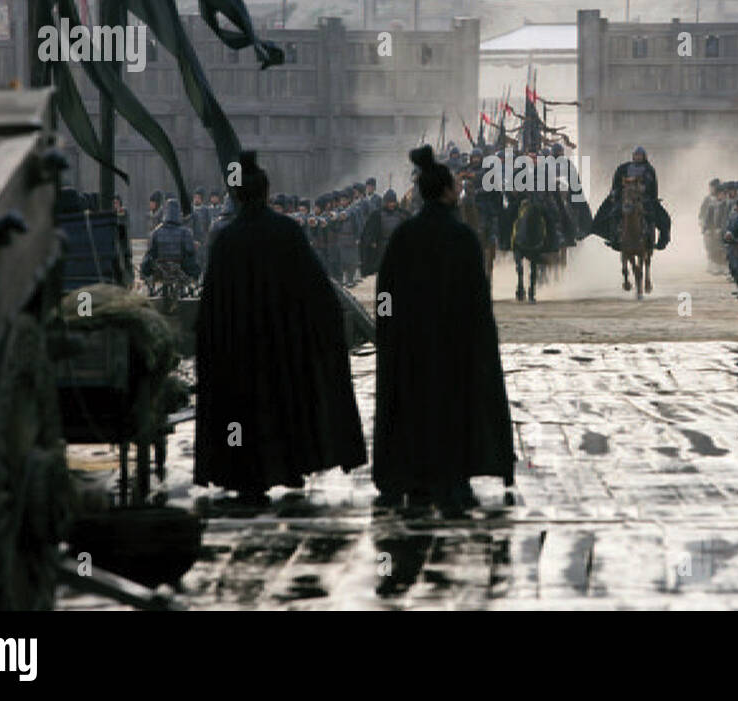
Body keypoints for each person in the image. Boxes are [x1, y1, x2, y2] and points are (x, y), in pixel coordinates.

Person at [194, 152, 365, 508]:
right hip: (282, 347)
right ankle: (290, 467)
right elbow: (319, 293)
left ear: (237, 195)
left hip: (239, 350)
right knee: (284, 406)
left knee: (244, 416)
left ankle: (247, 478)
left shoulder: (227, 241)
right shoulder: (287, 233)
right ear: (267, 192)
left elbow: (211, 307)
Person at [373, 145, 514, 513]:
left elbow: (385, 297)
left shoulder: (403, 236)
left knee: (415, 410)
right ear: (449, 192)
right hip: (455, 345)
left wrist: (390, 336)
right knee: (453, 411)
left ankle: (415, 478)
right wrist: (482, 341)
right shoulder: (463, 238)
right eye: (455, 186)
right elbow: (478, 301)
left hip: (412, 345)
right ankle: (454, 479)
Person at [591, 145, 671, 251]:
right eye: (636, 155)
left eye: (640, 155)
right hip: (626, 198)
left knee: (663, 218)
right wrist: (616, 194)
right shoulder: (624, 168)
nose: (638, 157)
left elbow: (653, 187)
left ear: (644, 156)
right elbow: (616, 184)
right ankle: (615, 238)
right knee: (614, 214)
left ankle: (657, 241)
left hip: (643, 199)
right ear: (633, 156)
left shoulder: (648, 169)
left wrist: (649, 195)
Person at [141, 197, 200, 285]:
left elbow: (150, 253)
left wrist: (145, 271)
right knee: (192, 257)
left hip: (160, 269)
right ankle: (194, 282)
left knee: (148, 257)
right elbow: (190, 253)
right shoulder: (185, 232)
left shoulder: (156, 232)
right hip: (181, 270)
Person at [359, 189, 409, 277]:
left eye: (393, 202)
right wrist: (372, 242)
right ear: (385, 202)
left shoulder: (403, 214)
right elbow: (369, 233)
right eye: (389, 202)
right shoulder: (377, 215)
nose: (391, 205)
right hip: (381, 247)